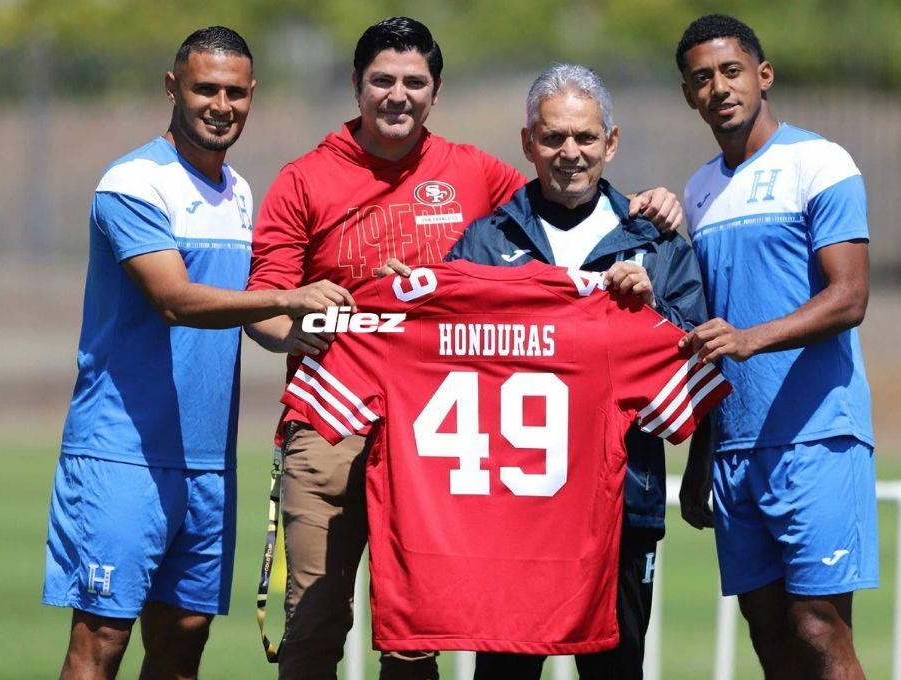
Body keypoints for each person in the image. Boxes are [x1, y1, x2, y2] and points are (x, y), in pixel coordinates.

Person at [245, 17, 684, 680]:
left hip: (438, 440)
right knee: (314, 625)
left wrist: (644, 209)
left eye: (413, 81)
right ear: (357, 85)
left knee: (414, 635)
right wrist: (302, 332)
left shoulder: (476, 174)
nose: (398, 95)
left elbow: (566, 192)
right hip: (334, 421)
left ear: (436, 90)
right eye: (383, 80)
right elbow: (263, 305)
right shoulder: (304, 179)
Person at [41, 27, 351, 680]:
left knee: (184, 644)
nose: (221, 105)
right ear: (172, 87)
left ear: (252, 95)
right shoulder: (134, 183)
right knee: (101, 641)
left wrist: (302, 331)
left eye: (235, 92)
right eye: (205, 88)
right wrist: (289, 297)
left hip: (207, 461)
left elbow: (247, 313)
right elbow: (176, 301)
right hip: (122, 454)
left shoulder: (238, 192)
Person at [425, 63, 708, 680]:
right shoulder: (483, 245)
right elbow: (437, 355)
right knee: (504, 675)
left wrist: (650, 313)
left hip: (620, 506)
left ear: (612, 142)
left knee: (615, 672)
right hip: (510, 512)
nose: (570, 153)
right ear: (528, 143)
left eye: (585, 137)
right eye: (553, 137)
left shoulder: (657, 245)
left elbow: (696, 371)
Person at [674, 14, 878, 679]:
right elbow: (709, 329)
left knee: (817, 625)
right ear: (688, 95)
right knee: (768, 634)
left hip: (816, 436)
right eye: (702, 78)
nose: (719, 88)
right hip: (735, 448)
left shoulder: (818, 162)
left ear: (763, 75)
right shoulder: (699, 192)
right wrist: (703, 453)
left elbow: (849, 297)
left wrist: (750, 339)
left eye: (731, 71)